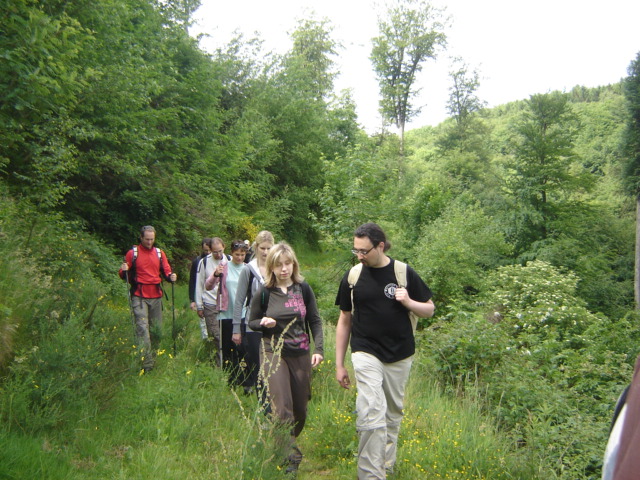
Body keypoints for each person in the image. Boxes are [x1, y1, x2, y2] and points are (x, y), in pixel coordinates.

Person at [335, 223, 435, 480]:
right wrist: (339, 364)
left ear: (380, 246)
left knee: (392, 413)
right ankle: (370, 475)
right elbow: (344, 319)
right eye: (355, 250)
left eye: (364, 251)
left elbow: (429, 309)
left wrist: (408, 302)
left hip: (400, 354)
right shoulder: (353, 276)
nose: (359, 256)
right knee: (371, 409)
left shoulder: (403, 272)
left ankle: (385, 465)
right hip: (365, 351)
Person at [248, 241, 324, 474]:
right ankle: (289, 457)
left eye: (288, 263)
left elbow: (315, 321)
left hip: (300, 353)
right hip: (273, 351)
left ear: (294, 264)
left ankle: (284, 441)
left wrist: (319, 349)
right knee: (282, 409)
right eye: (279, 265)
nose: (284, 269)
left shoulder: (303, 289)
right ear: (271, 266)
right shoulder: (265, 292)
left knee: (300, 410)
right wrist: (262, 322)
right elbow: (251, 322)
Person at [119, 225, 177, 373]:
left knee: (156, 329)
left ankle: (154, 358)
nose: (150, 242)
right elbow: (123, 274)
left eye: (152, 239)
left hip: (156, 295)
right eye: (147, 239)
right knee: (142, 328)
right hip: (139, 294)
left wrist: (171, 277)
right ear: (141, 237)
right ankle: (147, 364)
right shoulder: (133, 253)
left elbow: (166, 270)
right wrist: (123, 269)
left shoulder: (159, 253)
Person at [233, 230, 274, 395]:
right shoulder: (248, 270)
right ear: (256, 247)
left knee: (273, 362)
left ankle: (274, 395)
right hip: (254, 324)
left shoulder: (277, 268)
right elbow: (239, 300)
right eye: (262, 248)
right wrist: (237, 329)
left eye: (269, 248)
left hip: (274, 324)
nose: (265, 252)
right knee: (258, 363)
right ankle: (262, 398)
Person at [205, 240, 249, 383]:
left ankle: (244, 379)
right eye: (237, 254)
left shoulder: (248, 269)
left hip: (243, 313)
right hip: (225, 313)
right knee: (227, 348)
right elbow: (208, 286)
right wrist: (215, 275)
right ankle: (230, 379)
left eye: (242, 254)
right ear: (231, 253)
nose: (240, 257)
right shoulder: (224, 267)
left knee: (242, 348)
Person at [195, 237, 229, 365]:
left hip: (226, 304)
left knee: (226, 335)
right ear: (210, 250)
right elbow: (199, 284)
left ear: (224, 247)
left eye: (220, 251)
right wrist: (199, 305)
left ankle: (226, 362)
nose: (218, 254)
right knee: (215, 335)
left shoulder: (229, 260)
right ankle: (216, 364)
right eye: (215, 252)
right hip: (210, 303)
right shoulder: (204, 262)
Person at [189, 238, 212, 337]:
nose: (208, 252)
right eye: (205, 250)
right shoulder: (198, 261)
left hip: (212, 296)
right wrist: (193, 299)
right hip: (201, 294)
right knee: (203, 322)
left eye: (209, 250)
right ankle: (206, 341)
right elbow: (193, 281)